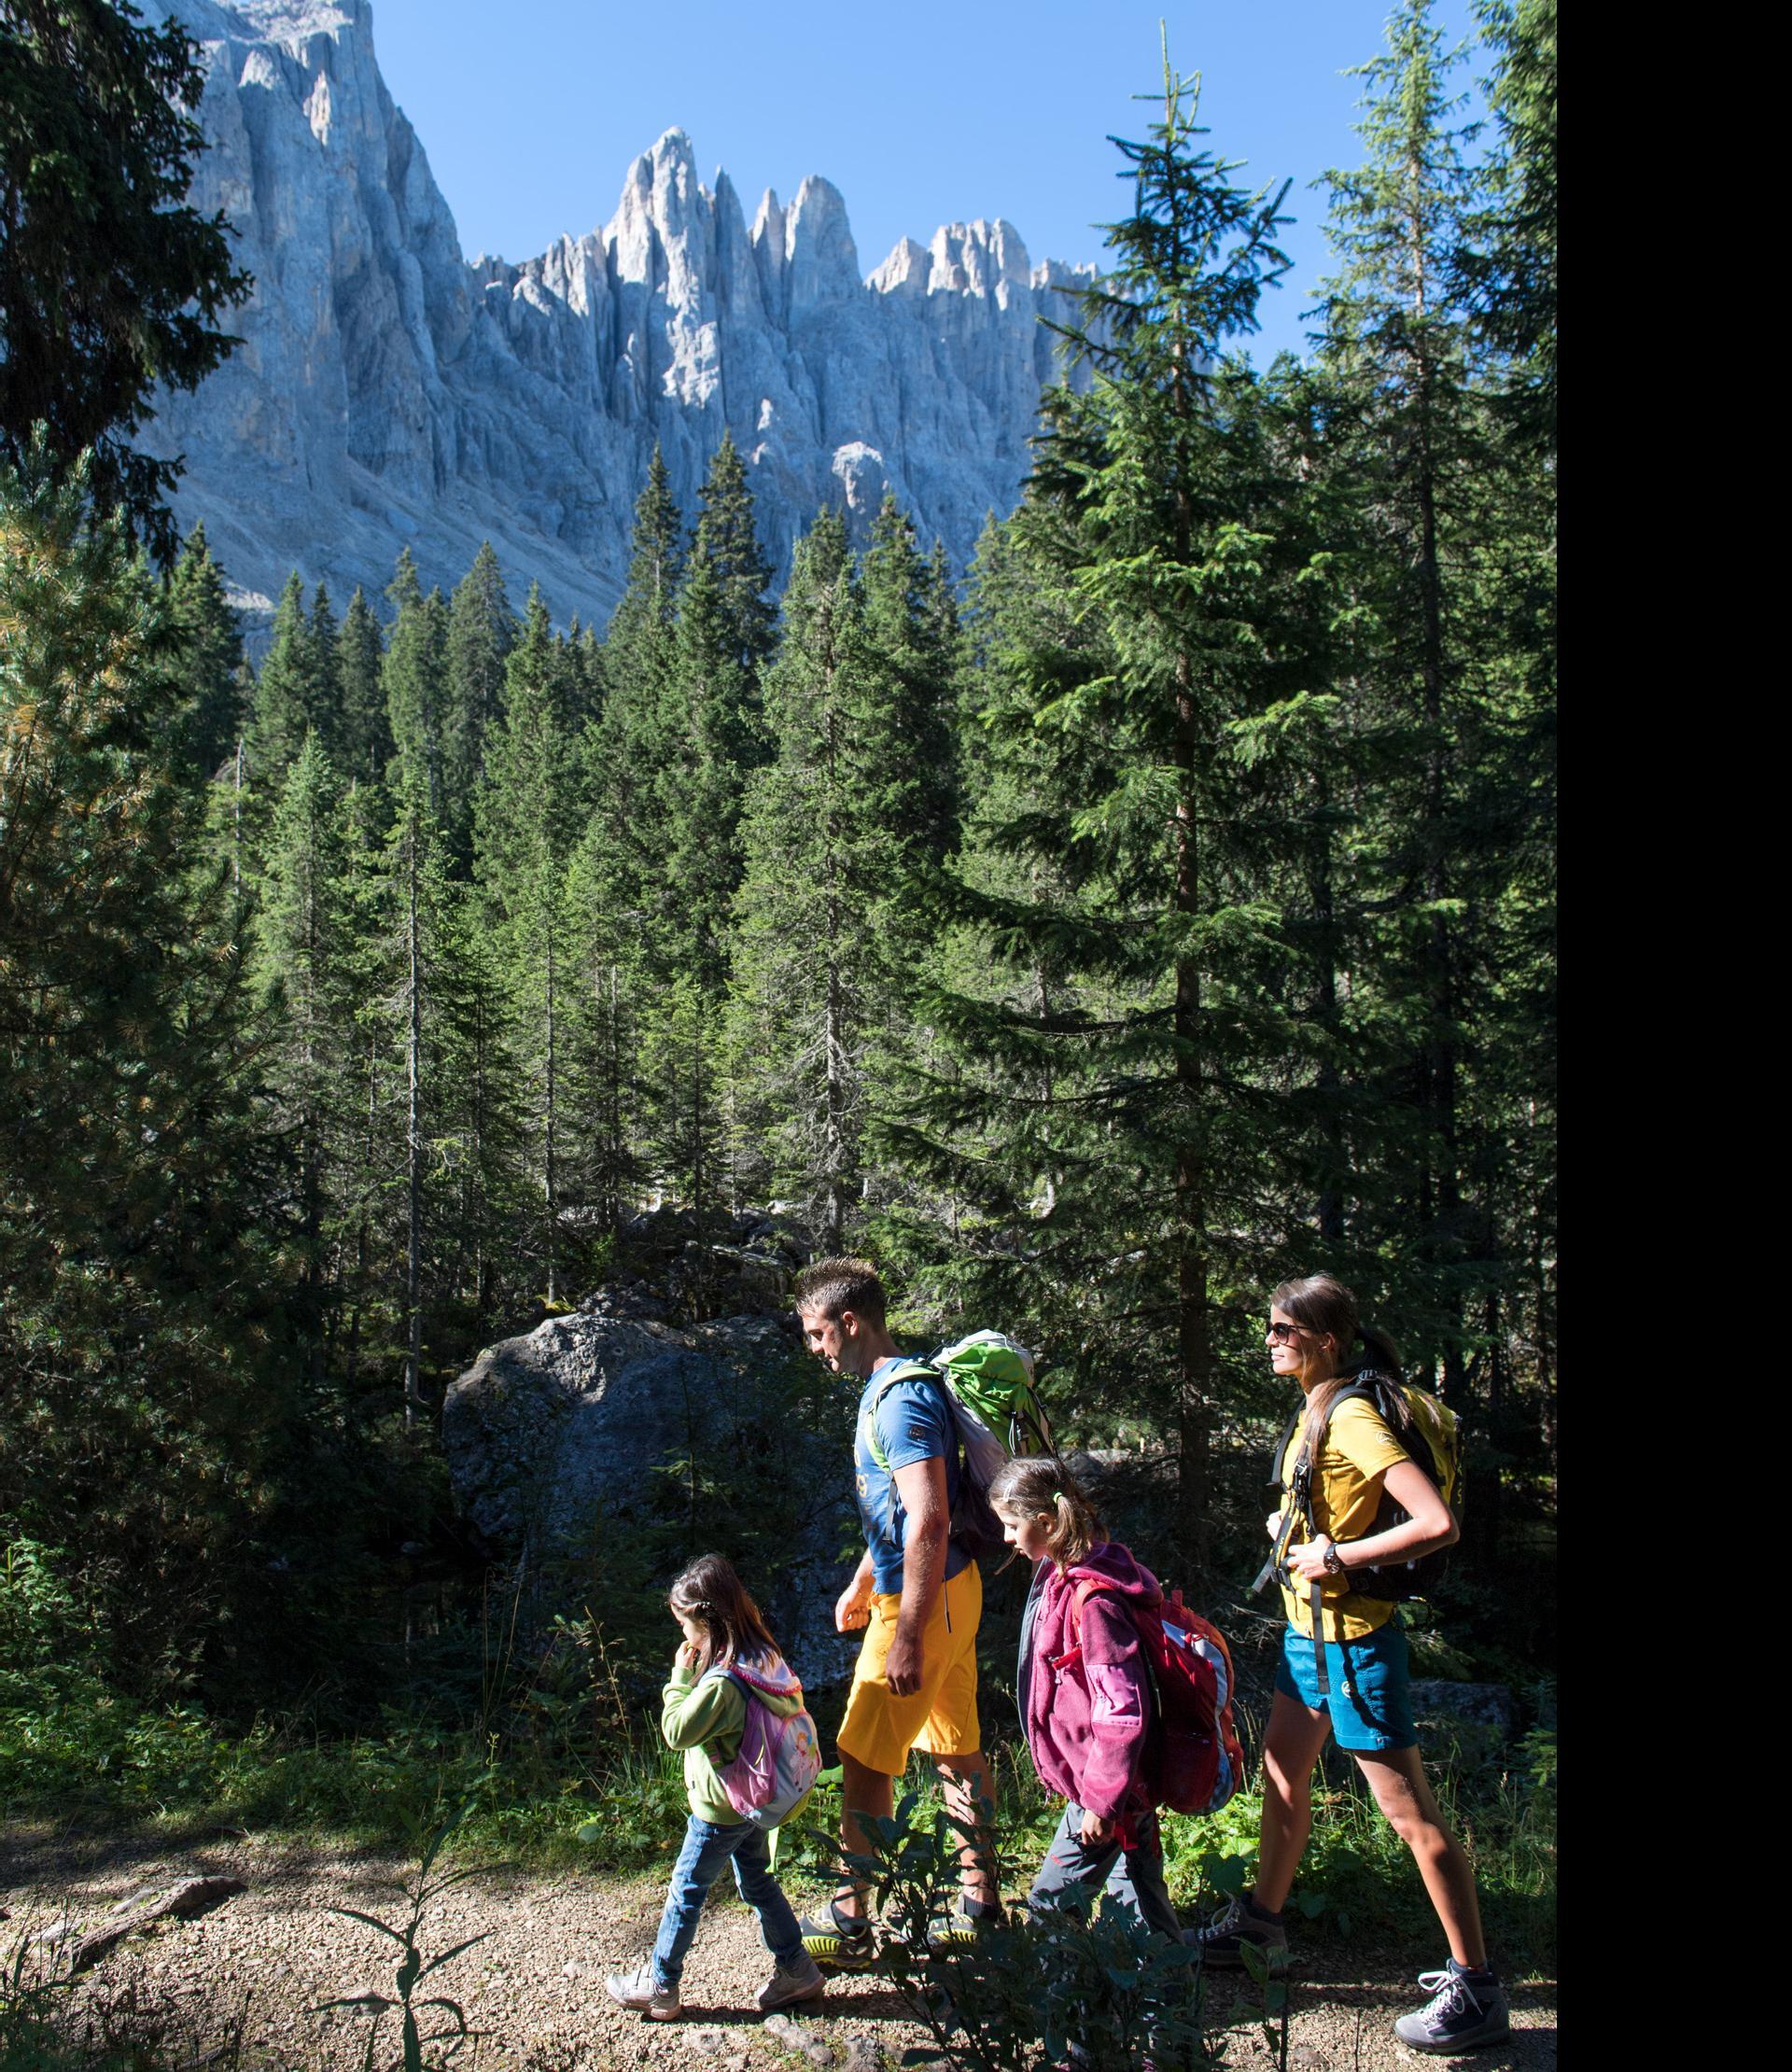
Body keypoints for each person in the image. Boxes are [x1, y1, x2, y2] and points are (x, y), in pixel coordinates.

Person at [1193, 1273, 1509, 2053]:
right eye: (1268, 1328)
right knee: (1280, 1772)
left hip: (1354, 1641)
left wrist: (1340, 1552)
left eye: (1281, 1330)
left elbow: (1437, 1522)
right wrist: (1296, 1528)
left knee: (1408, 1815)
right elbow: (1330, 1505)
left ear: (1324, 1339)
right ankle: (1261, 1926)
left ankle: (1478, 1988)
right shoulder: (1315, 1406)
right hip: (1310, 1638)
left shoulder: (1355, 1415)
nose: (1268, 1340)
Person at [792, 1256, 1001, 1968]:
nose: (817, 1350)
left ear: (851, 1323)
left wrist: (907, 1631)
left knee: (862, 1757)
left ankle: (851, 1922)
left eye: (820, 1335)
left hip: (926, 1601)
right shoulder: (893, 1388)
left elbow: (930, 1519)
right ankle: (982, 1907)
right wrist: (862, 1578)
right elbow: (896, 1511)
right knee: (955, 1751)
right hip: (950, 1591)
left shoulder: (900, 1400)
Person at [606, 1554, 827, 2022]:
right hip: (754, 1799)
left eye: (685, 1624)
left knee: (687, 1888)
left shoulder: (723, 1684)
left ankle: (661, 1985)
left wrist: (679, 1681)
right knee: (758, 1882)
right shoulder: (762, 1655)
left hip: (719, 1807)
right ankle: (797, 1969)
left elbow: (677, 1732)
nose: (684, 1634)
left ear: (706, 1620)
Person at [987, 1454, 1184, 1947]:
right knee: (1139, 1908)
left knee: (1052, 1909)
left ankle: (1060, 2010)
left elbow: (1122, 1708)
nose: (1007, 1538)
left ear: (1046, 1522)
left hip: (1108, 1791)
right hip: (1116, 1788)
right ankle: (1165, 2008)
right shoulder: (1062, 1577)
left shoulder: (1093, 1601)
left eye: (1013, 1526)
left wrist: (1101, 1799)